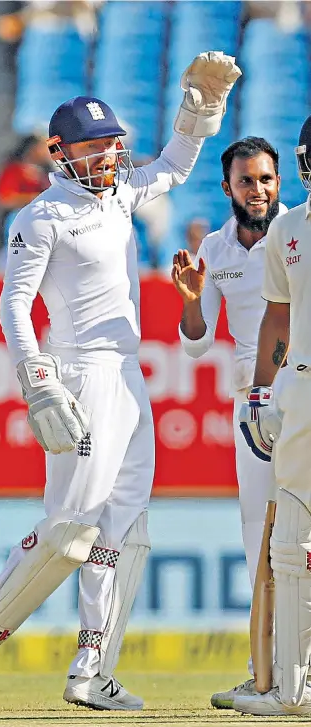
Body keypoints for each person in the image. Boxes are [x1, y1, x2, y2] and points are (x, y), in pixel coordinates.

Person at [0, 51, 241, 712]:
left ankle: (93, 669)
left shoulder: (122, 192)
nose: (108, 158)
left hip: (127, 375)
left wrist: (197, 111)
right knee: (71, 528)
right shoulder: (42, 217)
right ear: (60, 152)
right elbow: (13, 307)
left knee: (126, 528)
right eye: (93, 147)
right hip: (77, 372)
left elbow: (173, 167)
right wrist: (38, 380)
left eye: (112, 145)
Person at [171, 136, 288, 709]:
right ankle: (266, 673)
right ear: (227, 188)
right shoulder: (215, 250)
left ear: (279, 182)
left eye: (266, 179)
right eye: (247, 181)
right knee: (259, 543)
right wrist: (192, 300)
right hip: (254, 408)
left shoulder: (301, 233)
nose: (258, 190)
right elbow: (196, 346)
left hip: (304, 393)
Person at [233, 118, 311, 717]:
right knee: (289, 546)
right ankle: (290, 691)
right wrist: (262, 392)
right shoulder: (287, 228)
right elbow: (278, 318)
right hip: (302, 394)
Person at [0, 134, 51, 254]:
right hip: (18, 221)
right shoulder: (15, 170)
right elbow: (4, 198)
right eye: (42, 147)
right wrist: (33, 198)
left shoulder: (47, 171)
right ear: (32, 149)